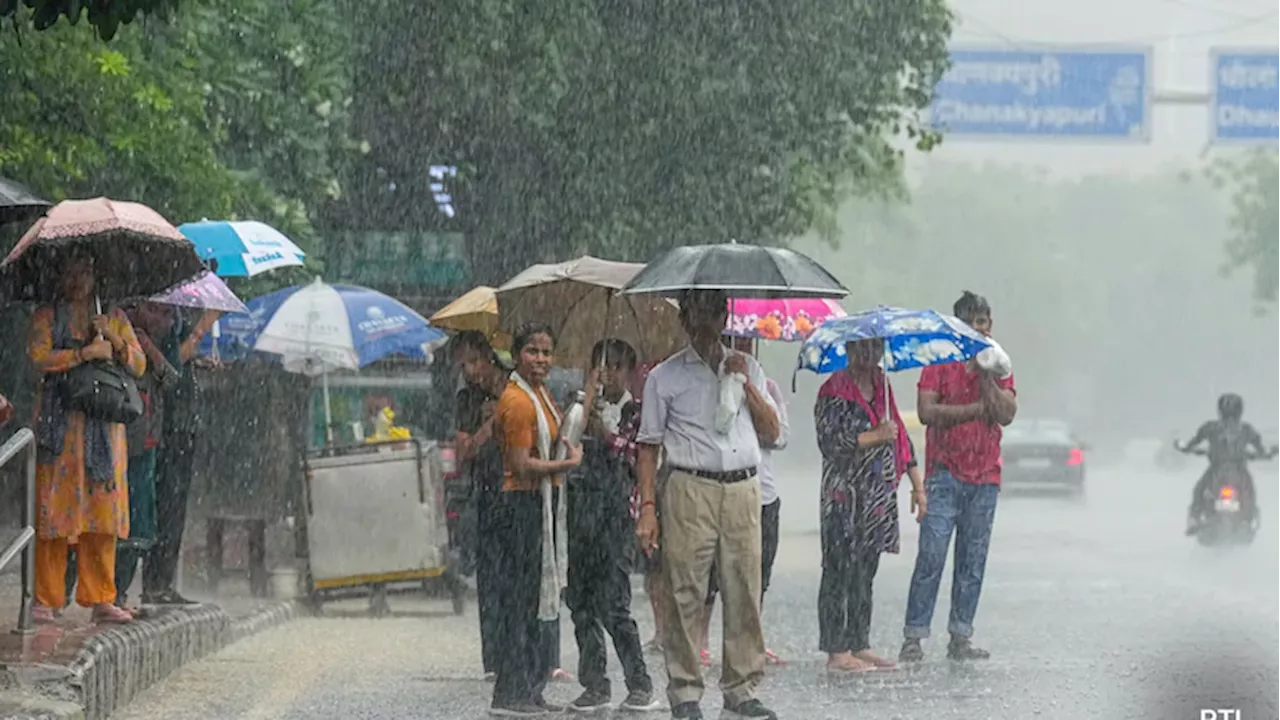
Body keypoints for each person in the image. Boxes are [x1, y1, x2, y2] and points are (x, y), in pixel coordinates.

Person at [635, 289, 780, 720]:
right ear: (686, 318)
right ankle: (684, 691)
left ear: (725, 316)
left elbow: (771, 432)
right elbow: (648, 447)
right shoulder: (666, 377)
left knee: (744, 587)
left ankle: (741, 686)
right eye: (700, 311)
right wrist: (647, 508)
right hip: (689, 485)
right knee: (685, 588)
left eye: (718, 310)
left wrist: (745, 382)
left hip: (742, 488)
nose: (710, 320)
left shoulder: (748, 365)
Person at [900, 290, 1017, 663]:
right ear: (956, 326)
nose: (977, 329)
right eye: (970, 322)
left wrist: (985, 377)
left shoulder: (999, 366)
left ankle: (960, 636)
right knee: (931, 556)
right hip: (944, 473)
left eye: (982, 322)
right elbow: (926, 412)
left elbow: (1006, 412)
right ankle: (914, 636)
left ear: (990, 326)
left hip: (985, 477)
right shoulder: (938, 359)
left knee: (973, 560)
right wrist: (974, 410)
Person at [28, 256, 145, 625]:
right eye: (70, 271)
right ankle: (46, 599)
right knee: (54, 515)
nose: (78, 280)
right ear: (59, 275)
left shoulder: (113, 317)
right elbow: (39, 357)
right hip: (60, 427)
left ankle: (101, 598)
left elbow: (139, 365)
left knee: (102, 515)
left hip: (104, 431)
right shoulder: (47, 316)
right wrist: (82, 354)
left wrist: (111, 339)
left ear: (96, 277)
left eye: (85, 272)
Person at [490, 323, 584, 717]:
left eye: (547, 352)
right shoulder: (518, 401)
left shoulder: (541, 394)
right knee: (519, 602)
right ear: (516, 355)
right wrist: (566, 464)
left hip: (538, 505)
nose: (541, 360)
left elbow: (557, 433)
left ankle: (528, 686)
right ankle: (510, 692)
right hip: (521, 507)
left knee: (531, 602)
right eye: (533, 351)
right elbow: (519, 464)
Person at [816, 338, 925, 672]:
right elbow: (830, 442)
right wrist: (875, 436)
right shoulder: (833, 390)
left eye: (876, 349)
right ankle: (837, 649)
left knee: (865, 571)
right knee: (839, 570)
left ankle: (859, 642)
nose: (870, 356)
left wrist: (917, 486)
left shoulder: (882, 384)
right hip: (844, 496)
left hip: (876, 496)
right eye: (863, 349)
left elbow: (901, 438)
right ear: (849, 351)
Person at [565, 339, 659, 712]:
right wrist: (586, 403)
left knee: (615, 605)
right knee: (581, 603)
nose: (611, 373)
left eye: (618, 366)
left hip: (616, 516)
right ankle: (594, 684)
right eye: (604, 366)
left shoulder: (636, 412)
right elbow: (564, 442)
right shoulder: (580, 405)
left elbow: (631, 455)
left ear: (631, 371)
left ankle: (639, 683)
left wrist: (602, 432)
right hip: (581, 514)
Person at [699, 337, 787, 668]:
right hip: (716, 487)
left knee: (756, 574)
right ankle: (701, 641)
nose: (741, 346)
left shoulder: (765, 383)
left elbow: (778, 435)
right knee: (710, 573)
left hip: (760, 490)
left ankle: (751, 642)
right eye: (734, 340)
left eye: (747, 342)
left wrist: (746, 385)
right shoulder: (705, 381)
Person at [142, 306, 218, 605]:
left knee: (176, 506)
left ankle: (164, 580)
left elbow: (183, 361)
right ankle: (155, 582)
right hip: (166, 426)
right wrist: (203, 326)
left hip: (184, 424)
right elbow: (171, 366)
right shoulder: (160, 319)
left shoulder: (175, 318)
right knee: (165, 503)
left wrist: (198, 361)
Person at [451, 331, 511, 680]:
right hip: (487, 492)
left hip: (521, 488)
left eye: (474, 361)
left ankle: (536, 657)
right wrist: (491, 421)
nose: (470, 370)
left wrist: (505, 406)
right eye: (464, 364)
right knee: (490, 579)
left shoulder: (516, 387)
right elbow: (465, 451)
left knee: (522, 577)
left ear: (489, 357)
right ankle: (494, 659)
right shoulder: (467, 400)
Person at [114, 302, 182, 606]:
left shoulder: (162, 340)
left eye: (168, 314)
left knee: (140, 523)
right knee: (113, 521)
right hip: (116, 441)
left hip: (146, 443)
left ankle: (120, 590)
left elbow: (171, 380)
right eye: (156, 311)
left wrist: (151, 350)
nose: (164, 320)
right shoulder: (115, 328)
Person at [1177, 393, 1271, 533]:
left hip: (1217, 469)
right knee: (1248, 491)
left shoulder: (1212, 427)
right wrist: (1265, 454)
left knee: (1200, 489)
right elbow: (1261, 449)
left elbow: (1194, 442)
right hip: (1237, 470)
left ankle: (1195, 517)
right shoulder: (1245, 429)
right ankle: (1246, 520)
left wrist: (1187, 448)